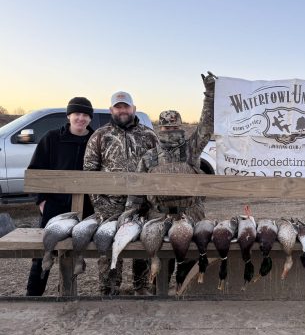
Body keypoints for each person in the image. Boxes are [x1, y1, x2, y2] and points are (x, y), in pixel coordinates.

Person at [126, 72, 216, 292]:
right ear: (160, 129)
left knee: (191, 261)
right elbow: (138, 191)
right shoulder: (150, 157)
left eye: (174, 127)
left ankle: (186, 294)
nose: (170, 131)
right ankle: (160, 297)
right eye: (166, 128)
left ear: (181, 127)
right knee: (160, 263)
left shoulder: (191, 149)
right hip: (160, 216)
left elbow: (206, 126)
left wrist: (210, 95)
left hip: (191, 214)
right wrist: (129, 213)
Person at [83, 91, 159, 296]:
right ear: (111, 110)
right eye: (118, 107)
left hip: (141, 203)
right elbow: (89, 173)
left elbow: (158, 170)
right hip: (109, 204)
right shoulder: (100, 135)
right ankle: (109, 289)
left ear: (133, 109)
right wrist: (100, 205)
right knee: (108, 247)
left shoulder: (149, 135)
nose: (122, 110)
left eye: (126, 106)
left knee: (143, 243)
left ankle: (140, 286)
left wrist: (150, 201)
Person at [26, 97, 95, 296]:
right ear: (69, 115)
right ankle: (33, 294)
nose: (81, 118)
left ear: (90, 118)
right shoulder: (51, 138)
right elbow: (36, 171)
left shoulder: (94, 141)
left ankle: (68, 292)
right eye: (77, 114)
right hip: (55, 206)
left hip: (86, 208)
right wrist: (42, 201)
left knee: (77, 248)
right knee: (44, 251)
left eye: (85, 115)